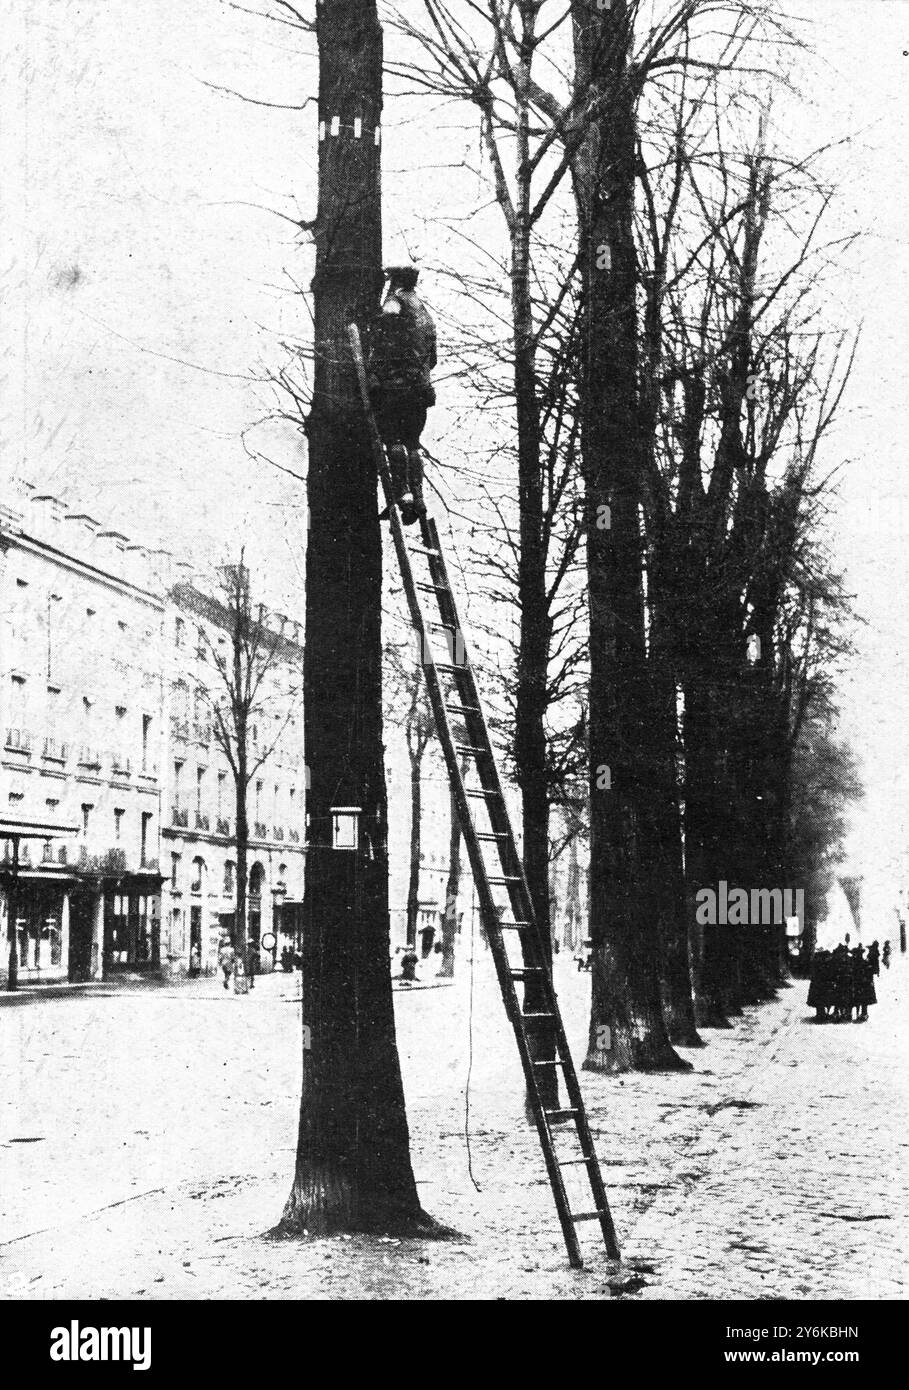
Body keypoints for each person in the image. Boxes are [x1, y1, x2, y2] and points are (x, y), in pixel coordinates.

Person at [368, 264, 437, 526]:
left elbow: (384, 325)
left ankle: (403, 494)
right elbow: (433, 359)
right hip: (420, 390)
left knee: (393, 439)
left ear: (395, 281)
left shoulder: (395, 302)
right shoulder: (424, 312)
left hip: (396, 388)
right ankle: (417, 497)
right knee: (412, 442)